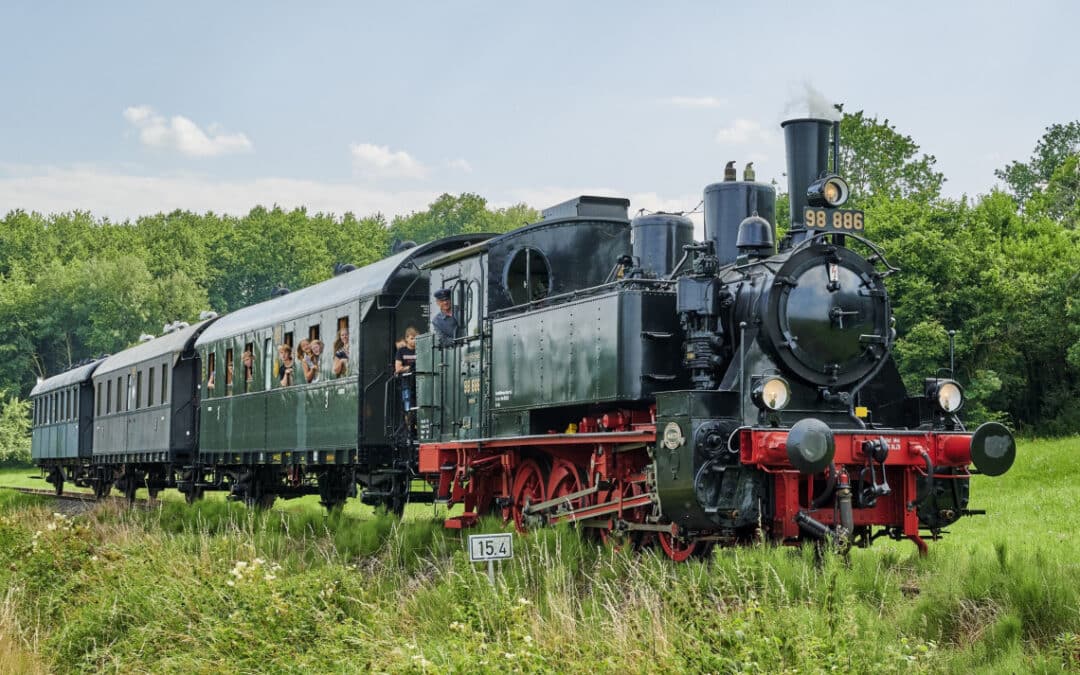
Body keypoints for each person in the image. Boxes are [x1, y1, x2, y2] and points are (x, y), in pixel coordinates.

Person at [395, 327, 418, 433]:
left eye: (416, 338)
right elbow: (398, 368)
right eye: (412, 338)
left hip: (419, 383)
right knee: (407, 406)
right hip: (407, 383)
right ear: (407, 339)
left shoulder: (420, 349)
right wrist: (410, 367)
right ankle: (409, 429)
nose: (414, 341)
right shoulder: (401, 351)